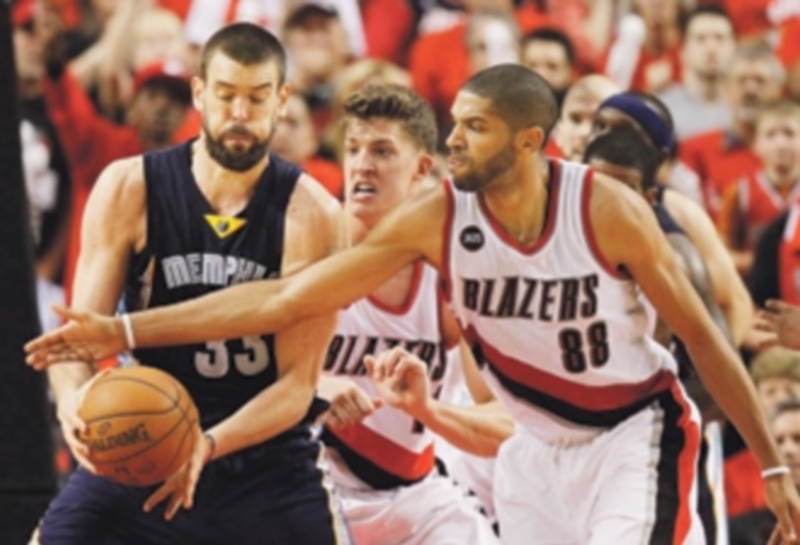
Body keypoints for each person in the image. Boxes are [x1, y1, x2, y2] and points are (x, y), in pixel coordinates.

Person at [27, 64, 800, 544]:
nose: (457, 140)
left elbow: (704, 335)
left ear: (529, 143)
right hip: (529, 451)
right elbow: (284, 296)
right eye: (453, 123)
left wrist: (769, 461)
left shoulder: (603, 210)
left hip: (629, 433)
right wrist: (123, 327)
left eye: (474, 126)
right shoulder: (432, 222)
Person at [29, 23, 349, 545]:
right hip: (144, 439)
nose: (240, 114)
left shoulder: (312, 213)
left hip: (262, 459)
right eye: (225, 95)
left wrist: (206, 444)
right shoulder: (130, 186)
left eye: (256, 97)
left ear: (283, 99)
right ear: (200, 93)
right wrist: (72, 405)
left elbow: (296, 386)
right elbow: (78, 340)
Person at [315, 83, 504, 545]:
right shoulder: (306, 247)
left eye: (382, 151)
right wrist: (314, 387)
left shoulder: (449, 273)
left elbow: (507, 423)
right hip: (308, 481)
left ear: (421, 168)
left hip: (412, 496)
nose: (362, 164)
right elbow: (240, 376)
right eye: (354, 149)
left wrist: (427, 409)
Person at [589, 91, 754, 347]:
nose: (605, 136)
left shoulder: (681, 216)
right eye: (599, 125)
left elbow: (735, 302)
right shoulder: (551, 191)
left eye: (624, 130)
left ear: (659, 156)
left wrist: (716, 372)